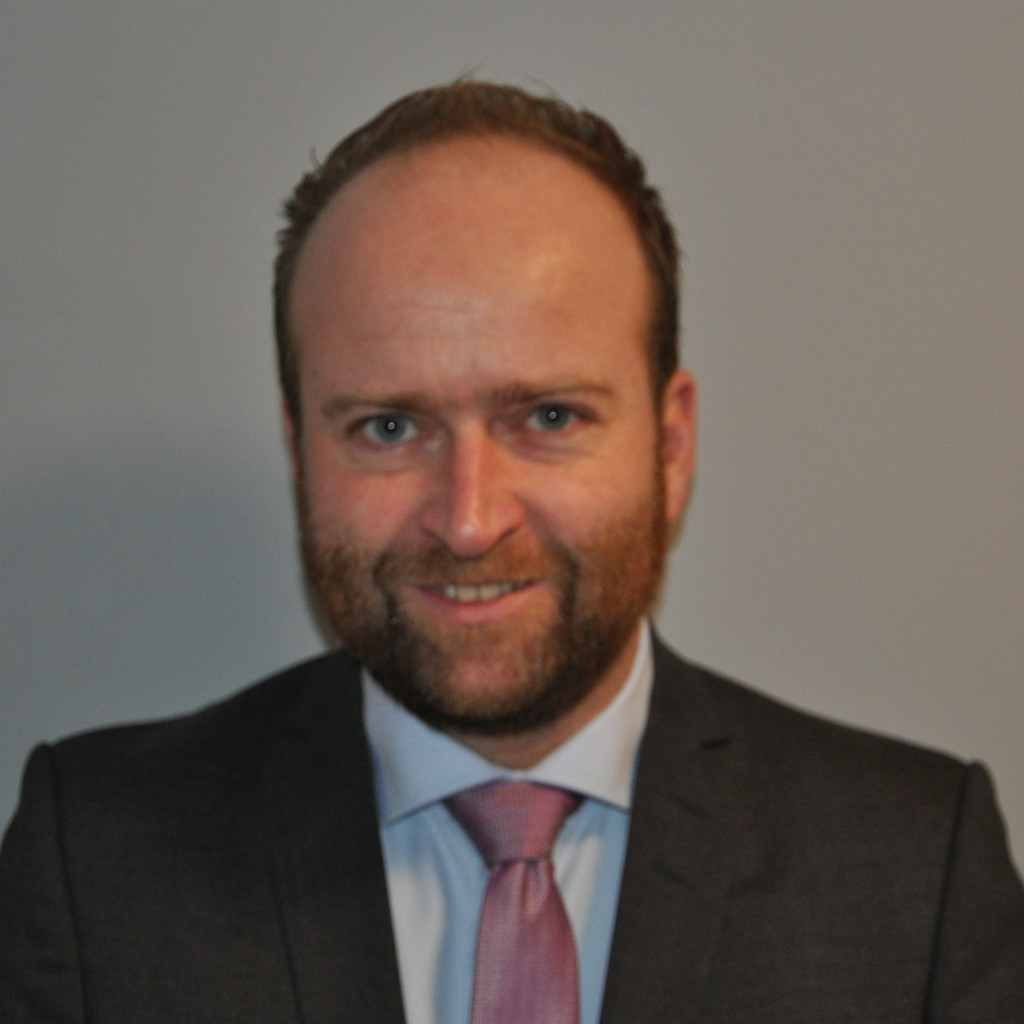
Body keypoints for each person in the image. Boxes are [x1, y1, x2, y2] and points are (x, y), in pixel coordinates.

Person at [1, 80, 1022, 1024]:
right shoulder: (95, 861)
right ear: (300, 448)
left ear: (670, 447)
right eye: (389, 428)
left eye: (547, 415)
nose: (468, 520)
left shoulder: (914, 871)